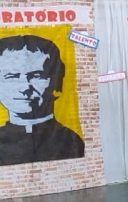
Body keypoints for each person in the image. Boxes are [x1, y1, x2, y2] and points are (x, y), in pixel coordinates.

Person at [0, 34, 84, 166]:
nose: (24, 87)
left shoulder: (71, 142)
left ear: (56, 82)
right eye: (11, 77)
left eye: (36, 76)